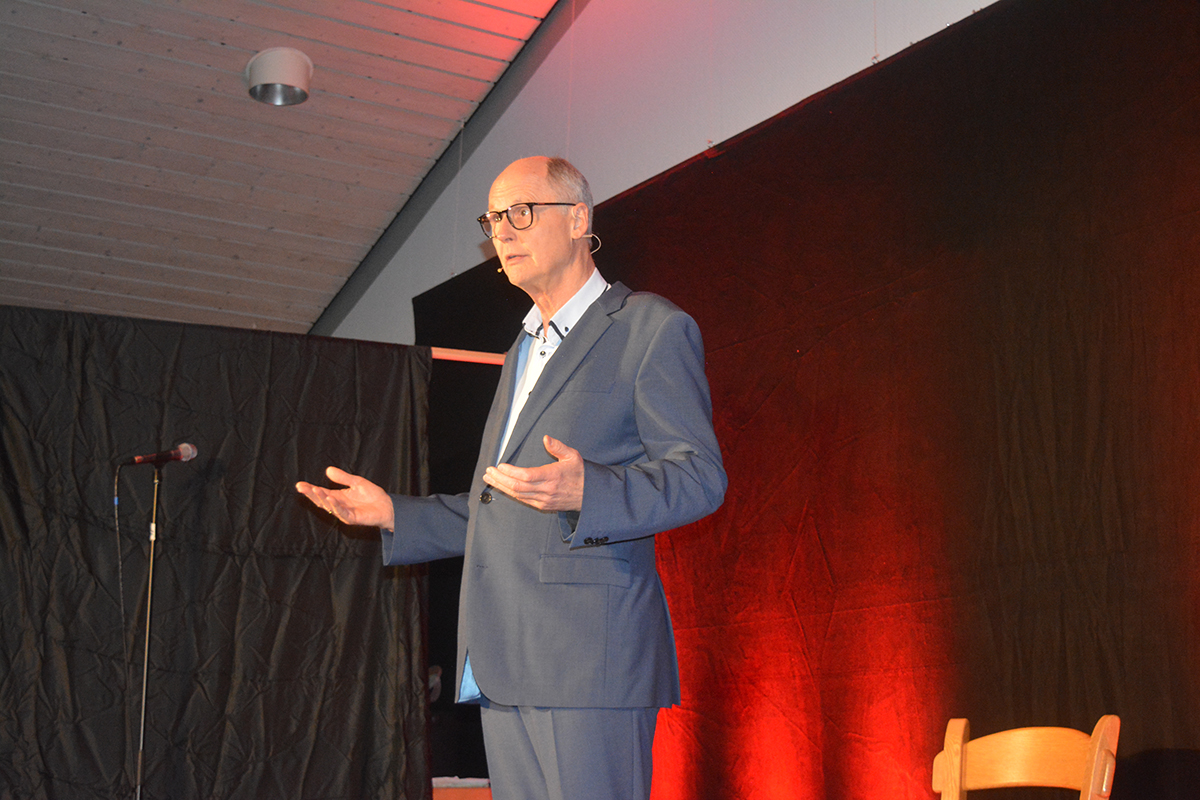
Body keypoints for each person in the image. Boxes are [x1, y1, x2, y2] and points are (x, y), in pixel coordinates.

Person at [296, 156, 726, 800]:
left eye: (521, 212)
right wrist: (395, 514)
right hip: (503, 655)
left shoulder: (649, 328)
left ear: (579, 218)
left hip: (587, 659)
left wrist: (594, 490)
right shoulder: (521, 349)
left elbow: (700, 477)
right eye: (494, 218)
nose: (503, 230)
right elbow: (498, 504)